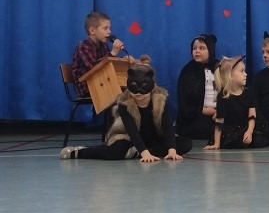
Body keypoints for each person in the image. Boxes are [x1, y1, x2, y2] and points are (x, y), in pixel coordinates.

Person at [60, 57, 192, 161]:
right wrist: (144, 153)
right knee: (114, 152)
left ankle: (136, 152)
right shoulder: (124, 103)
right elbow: (132, 131)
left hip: (153, 138)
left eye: (143, 87)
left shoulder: (161, 100)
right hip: (128, 137)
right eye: (134, 86)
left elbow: (167, 126)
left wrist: (172, 150)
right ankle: (80, 152)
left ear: (153, 85)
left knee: (185, 144)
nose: (139, 93)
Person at [203, 56, 269, 150]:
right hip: (232, 128)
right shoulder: (222, 96)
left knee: (257, 140)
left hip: (249, 125)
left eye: (245, 71)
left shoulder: (249, 92)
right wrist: (217, 143)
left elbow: (252, 116)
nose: (245, 74)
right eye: (242, 71)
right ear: (230, 76)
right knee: (235, 142)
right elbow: (219, 122)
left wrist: (249, 132)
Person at [71, 11, 131, 97]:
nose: (109, 31)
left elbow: (109, 64)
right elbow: (93, 67)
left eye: (109, 28)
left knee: (130, 88)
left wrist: (123, 59)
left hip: (102, 82)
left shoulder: (104, 45)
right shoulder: (82, 46)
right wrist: (113, 53)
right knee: (118, 93)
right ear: (92, 30)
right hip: (87, 86)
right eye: (105, 28)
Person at [176, 34, 219, 140]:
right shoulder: (188, 71)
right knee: (200, 129)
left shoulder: (220, 67)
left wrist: (220, 111)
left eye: (202, 48)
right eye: (194, 48)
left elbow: (229, 92)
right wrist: (202, 110)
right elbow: (184, 100)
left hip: (219, 113)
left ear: (210, 50)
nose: (197, 51)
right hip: (197, 115)